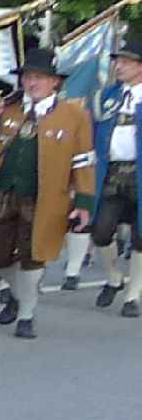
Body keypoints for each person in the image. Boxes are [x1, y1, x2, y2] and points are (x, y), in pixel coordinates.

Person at [0, 43, 94, 340]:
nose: (32, 83)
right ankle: (17, 292)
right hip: (2, 195)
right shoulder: (7, 109)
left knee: (33, 256)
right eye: (27, 77)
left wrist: (84, 201)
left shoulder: (74, 115)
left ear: (54, 82)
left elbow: (83, 161)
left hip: (45, 198)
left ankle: (26, 315)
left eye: (39, 77)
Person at [92, 32, 142, 318]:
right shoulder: (107, 96)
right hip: (111, 173)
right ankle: (114, 278)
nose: (119, 66)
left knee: (141, 237)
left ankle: (133, 296)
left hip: (139, 174)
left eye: (126, 61)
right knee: (100, 230)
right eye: (118, 61)